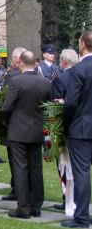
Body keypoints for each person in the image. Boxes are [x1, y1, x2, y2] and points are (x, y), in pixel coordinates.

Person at [0, 51, 51, 219]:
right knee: (36, 168)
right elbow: (47, 106)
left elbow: (7, 107)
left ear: (21, 62)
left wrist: (8, 121)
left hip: (18, 129)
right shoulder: (45, 82)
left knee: (20, 168)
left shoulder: (16, 81)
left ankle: (23, 208)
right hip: (36, 128)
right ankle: (36, 206)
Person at [61, 31, 92, 228]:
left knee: (81, 172)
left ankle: (81, 216)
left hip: (81, 127)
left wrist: (65, 124)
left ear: (82, 44)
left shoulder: (79, 69)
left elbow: (71, 103)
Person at [51, 49, 79, 212]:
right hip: (82, 127)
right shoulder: (83, 75)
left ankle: (67, 199)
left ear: (63, 62)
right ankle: (77, 199)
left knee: (64, 165)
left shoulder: (61, 79)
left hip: (64, 127)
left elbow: (55, 107)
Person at [0, 46, 27, 201]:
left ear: (17, 59)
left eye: (12, 57)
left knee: (15, 159)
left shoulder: (11, 76)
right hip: (32, 126)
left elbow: (6, 101)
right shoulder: (39, 75)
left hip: (14, 124)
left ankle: (17, 188)